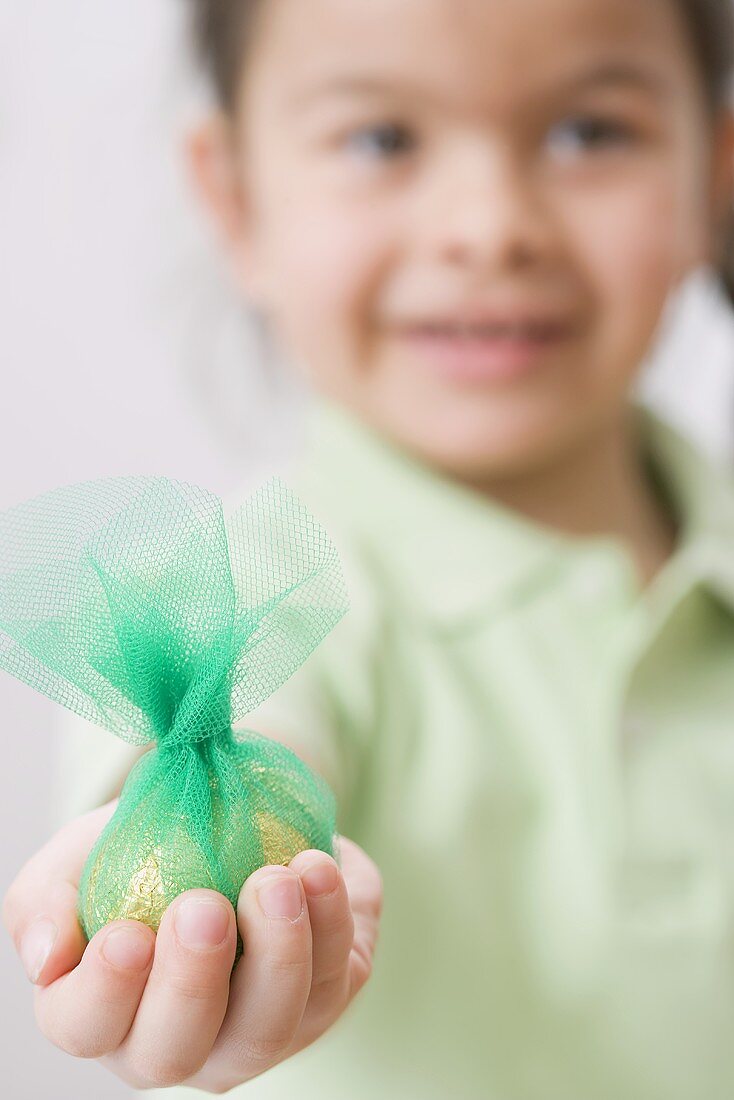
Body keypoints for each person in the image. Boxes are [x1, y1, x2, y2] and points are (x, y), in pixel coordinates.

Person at [5, 0, 734, 1096]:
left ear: (712, 177)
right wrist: (153, 855)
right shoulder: (261, 569)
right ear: (236, 199)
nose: (488, 227)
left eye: (588, 131)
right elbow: (231, 713)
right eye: (380, 138)